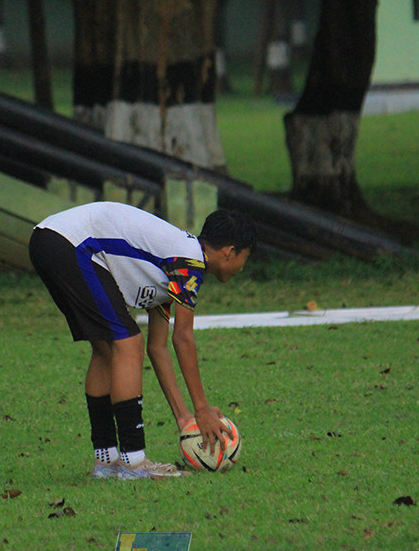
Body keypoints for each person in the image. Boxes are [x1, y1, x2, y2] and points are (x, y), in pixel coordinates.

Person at [28, 202, 257, 479]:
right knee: (127, 343)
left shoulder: (173, 260)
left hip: (51, 239)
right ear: (230, 252)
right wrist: (202, 409)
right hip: (70, 243)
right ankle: (134, 463)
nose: (242, 268)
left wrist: (185, 419)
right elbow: (182, 339)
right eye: (245, 257)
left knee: (106, 349)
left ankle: (107, 461)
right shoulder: (189, 263)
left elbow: (157, 348)